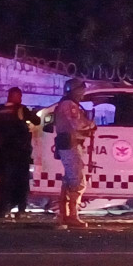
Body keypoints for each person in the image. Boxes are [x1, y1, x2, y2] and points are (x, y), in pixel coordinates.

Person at [0, 87, 40, 218]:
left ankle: (4, 208)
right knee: (22, 181)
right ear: (15, 97)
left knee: (5, 181)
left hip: (3, 152)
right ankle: (21, 209)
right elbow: (37, 121)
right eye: (20, 96)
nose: (21, 99)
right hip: (20, 152)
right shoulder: (21, 109)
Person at [54, 78, 96, 228]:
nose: (83, 92)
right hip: (70, 145)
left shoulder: (68, 104)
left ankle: (65, 214)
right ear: (75, 90)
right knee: (78, 181)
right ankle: (72, 215)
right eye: (81, 89)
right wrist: (90, 124)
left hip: (70, 144)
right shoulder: (69, 105)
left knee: (70, 180)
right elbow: (76, 123)